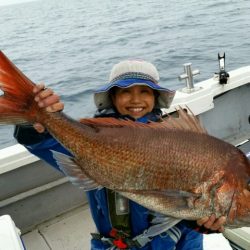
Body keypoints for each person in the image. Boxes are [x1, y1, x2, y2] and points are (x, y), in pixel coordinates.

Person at [14, 59, 226, 249]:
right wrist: (33, 125)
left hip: (176, 242)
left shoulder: (174, 141)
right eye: (125, 91)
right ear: (113, 97)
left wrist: (199, 224)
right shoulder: (91, 138)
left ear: (155, 97)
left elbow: (188, 205)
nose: (136, 99)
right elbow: (44, 145)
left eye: (145, 91)